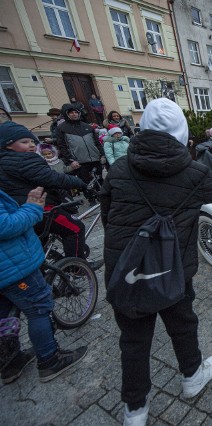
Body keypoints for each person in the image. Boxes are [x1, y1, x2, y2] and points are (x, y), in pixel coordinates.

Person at [99, 98, 212, 425]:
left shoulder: (118, 169)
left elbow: (106, 219)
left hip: (125, 270)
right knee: (182, 324)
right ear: (180, 132)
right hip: (172, 268)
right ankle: (192, 377)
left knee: (133, 342)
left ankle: (135, 412)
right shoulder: (194, 173)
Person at [0, 186, 88, 384]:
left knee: (5, 314)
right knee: (38, 308)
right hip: (13, 265)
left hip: (6, 268)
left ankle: (10, 362)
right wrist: (32, 209)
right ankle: (49, 359)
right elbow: (5, 225)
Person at [0, 121, 97, 267]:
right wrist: (81, 184)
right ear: (8, 145)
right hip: (39, 207)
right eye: (24, 142)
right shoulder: (22, 160)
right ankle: (77, 269)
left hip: (19, 210)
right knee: (75, 228)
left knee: (40, 241)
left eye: (32, 141)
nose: (31, 145)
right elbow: (52, 178)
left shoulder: (5, 162)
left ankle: (46, 269)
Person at [56, 103, 105, 202]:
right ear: (67, 114)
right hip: (79, 161)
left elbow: (97, 142)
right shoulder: (62, 128)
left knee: (99, 179)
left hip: (94, 158)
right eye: (71, 113)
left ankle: (103, 197)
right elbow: (62, 146)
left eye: (76, 112)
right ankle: (91, 199)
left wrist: (102, 154)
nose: (74, 114)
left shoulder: (87, 127)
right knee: (85, 182)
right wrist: (71, 160)